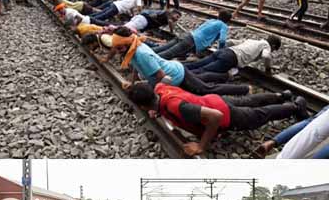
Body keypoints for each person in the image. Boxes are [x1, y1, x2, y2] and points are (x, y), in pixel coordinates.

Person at [126, 82, 308, 156]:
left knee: (260, 115)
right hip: (213, 100)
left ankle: (295, 107)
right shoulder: (159, 88)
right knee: (250, 100)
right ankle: (281, 95)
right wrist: (157, 110)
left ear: (143, 106)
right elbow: (163, 94)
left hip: (223, 114)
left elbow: (216, 117)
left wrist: (201, 146)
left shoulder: (174, 106)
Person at [106, 30, 251, 96]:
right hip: (173, 73)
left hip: (176, 75)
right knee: (201, 82)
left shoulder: (142, 54)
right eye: (116, 48)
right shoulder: (131, 50)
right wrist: (133, 83)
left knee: (206, 90)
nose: (118, 51)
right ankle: (226, 78)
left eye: (120, 48)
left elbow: (163, 78)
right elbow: (136, 69)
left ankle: (244, 89)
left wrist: (160, 98)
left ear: (128, 43)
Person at [185, 36, 281, 76]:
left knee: (198, 64)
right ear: (273, 46)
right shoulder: (266, 46)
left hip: (224, 51)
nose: (271, 51)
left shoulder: (253, 41)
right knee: (203, 70)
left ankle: (177, 67)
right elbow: (266, 56)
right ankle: (180, 75)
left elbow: (230, 41)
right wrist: (268, 68)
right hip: (230, 58)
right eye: (273, 50)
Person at [154, 10, 232, 60]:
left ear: (218, 16)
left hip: (187, 35)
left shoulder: (212, 20)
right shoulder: (223, 26)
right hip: (192, 42)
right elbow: (222, 40)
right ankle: (145, 60)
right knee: (167, 54)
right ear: (228, 21)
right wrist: (219, 51)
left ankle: (144, 53)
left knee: (163, 48)